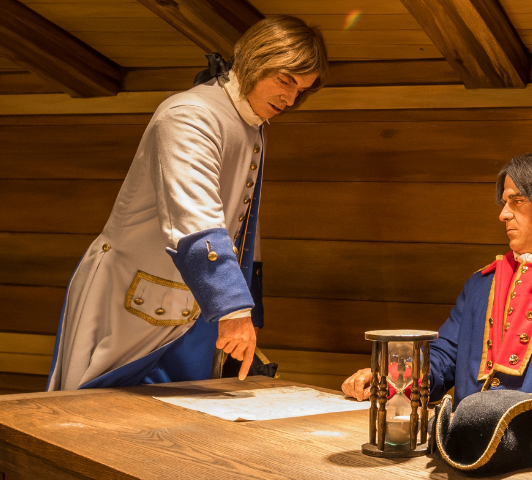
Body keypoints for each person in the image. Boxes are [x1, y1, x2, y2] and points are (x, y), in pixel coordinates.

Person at [46, 16, 325, 390]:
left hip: (197, 304)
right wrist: (234, 308)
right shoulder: (190, 115)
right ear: (256, 61)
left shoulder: (248, 122)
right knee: (96, 417)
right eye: (285, 81)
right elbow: (196, 219)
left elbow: (243, 229)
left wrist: (244, 304)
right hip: (134, 301)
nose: (290, 99)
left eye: (301, 90)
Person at [342, 152, 532, 441]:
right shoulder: (482, 282)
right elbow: (444, 356)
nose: (503, 214)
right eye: (504, 202)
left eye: (516, 201)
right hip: (468, 453)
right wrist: (392, 379)